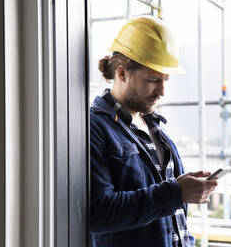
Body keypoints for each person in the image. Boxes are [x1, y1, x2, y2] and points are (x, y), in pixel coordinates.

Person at [90, 16, 218, 247]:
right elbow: (99, 213)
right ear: (122, 74)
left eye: (165, 80)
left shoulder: (154, 127)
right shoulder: (95, 128)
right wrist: (175, 193)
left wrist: (182, 190)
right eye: (153, 80)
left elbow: (174, 222)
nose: (162, 91)